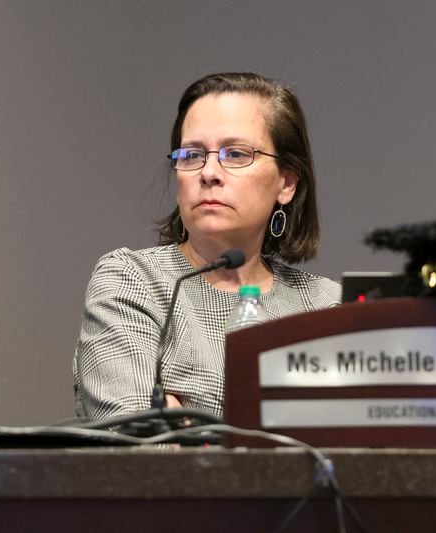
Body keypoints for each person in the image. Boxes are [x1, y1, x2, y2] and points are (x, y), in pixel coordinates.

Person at [73, 72, 340, 421]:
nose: (209, 172)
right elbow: (137, 447)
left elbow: (356, 453)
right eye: (192, 154)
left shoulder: (326, 307)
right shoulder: (132, 282)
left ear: (286, 183)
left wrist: (189, 425)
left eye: (236, 154)